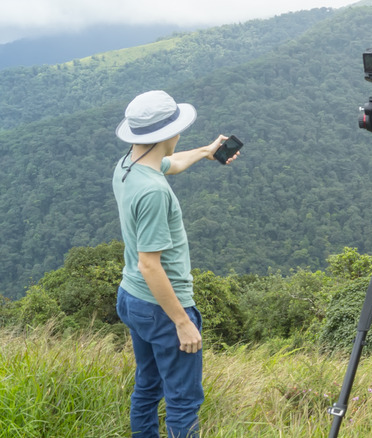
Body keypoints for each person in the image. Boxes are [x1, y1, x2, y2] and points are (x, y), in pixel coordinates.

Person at [112, 90, 239, 437]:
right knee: (183, 402)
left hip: (132, 298)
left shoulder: (128, 165)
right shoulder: (153, 192)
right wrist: (182, 322)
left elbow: (172, 163)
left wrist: (205, 152)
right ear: (166, 134)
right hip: (163, 307)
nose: (180, 135)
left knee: (148, 388)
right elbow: (150, 266)